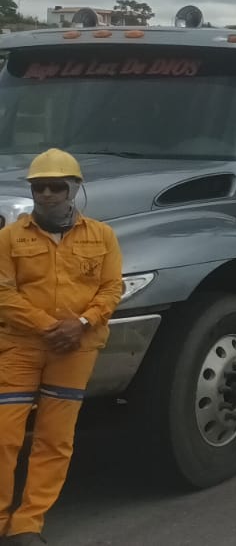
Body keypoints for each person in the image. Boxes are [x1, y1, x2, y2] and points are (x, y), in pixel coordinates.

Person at [0, 149, 124, 544]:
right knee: (4, 434)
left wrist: (83, 323)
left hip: (76, 350)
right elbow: (3, 291)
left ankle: (28, 523)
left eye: (57, 187)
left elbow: (111, 287)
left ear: (75, 189)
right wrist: (50, 326)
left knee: (55, 438)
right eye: (40, 187)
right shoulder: (9, 237)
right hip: (20, 346)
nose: (48, 194)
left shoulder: (102, 236)